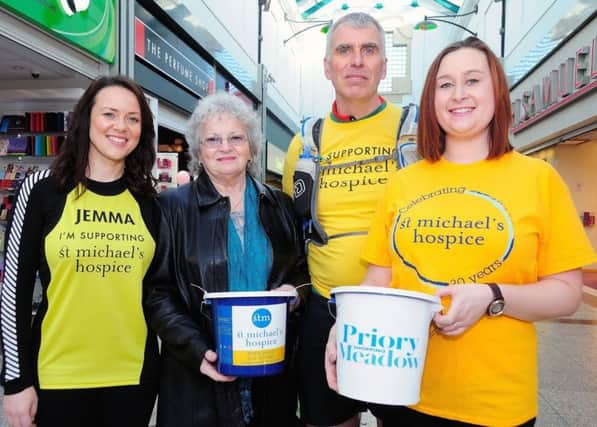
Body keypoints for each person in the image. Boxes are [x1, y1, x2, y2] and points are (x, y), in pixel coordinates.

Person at [324, 36, 597, 427]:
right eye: (445, 84)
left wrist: (492, 296)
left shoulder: (538, 179)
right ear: (431, 100)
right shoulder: (403, 184)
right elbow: (378, 281)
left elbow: (568, 294)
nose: (458, 94)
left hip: (496, 403)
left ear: (497, 91)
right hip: (405, 393)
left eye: (473, 80)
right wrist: (344, 328)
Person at [0, 75, 161, 427]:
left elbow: (158, 292)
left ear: (142, 130)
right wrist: (15, 381)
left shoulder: (150, 202)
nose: (121, 127)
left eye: (133, 119)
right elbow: (13, 290)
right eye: (109, 114)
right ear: (86, 118)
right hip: (57, 376)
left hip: (132, 377)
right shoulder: (42, 189)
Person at [145, 91, 308, 427]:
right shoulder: (172, 208)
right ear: (198, 151)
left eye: (236, 137)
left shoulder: (280, 205)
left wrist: (295, 292)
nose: (225, 147)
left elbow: (301, 271)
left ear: (251, 147)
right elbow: (157, 293)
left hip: (270, 373)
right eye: (213, 139)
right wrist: (197, 350)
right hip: (200, 377)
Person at [282, 11, 403, 427]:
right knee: (330, 420)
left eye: (369, 49)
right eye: (344, 50)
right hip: (324, 307)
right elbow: (290, 224)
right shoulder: (305, 141)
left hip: (401, 313)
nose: (356, 60)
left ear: (383, 66)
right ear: (327, 66)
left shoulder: (415, 132)